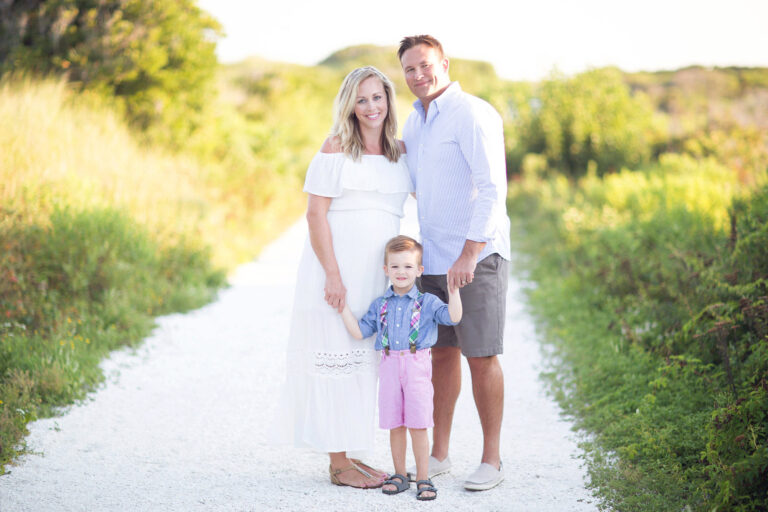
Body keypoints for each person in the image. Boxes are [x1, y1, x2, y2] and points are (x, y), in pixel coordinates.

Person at [272, 66, 412, 489]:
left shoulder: (401, 152)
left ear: (389, 100)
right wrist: (332, 275)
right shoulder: (336, 148)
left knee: (366, 363)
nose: (371, 106)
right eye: (362, 98)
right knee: (336, 355)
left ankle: (351, 453)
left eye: (378, 97)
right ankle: (338, 464)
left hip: (382, 277)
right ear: (350, 105)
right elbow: (315, 214)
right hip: (339, 271)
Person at [398, 35, 511, 491]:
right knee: (440, 354)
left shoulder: (472, 113)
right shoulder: (414, 121)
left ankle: (492, 460)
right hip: (433, 259)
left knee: (481, 356)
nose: (418, 75)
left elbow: (492, 191)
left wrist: (468, 252)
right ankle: (439, 454)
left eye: (424, 65)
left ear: (443, 62)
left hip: (477, 258)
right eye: (409, 69)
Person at [340, 235, 462, 501]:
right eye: (395, 267)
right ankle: (399, 474)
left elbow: (453, 318)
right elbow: (360, 331)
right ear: (386, 271)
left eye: (408, 266)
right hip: (389, 366)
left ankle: (423, 477)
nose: (401, 272)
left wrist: (454, 292)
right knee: (395, 424)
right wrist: (343, 309)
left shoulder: (427, 302)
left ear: (419, 270)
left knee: (418, 423)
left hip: (417, 366)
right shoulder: (381, 304)